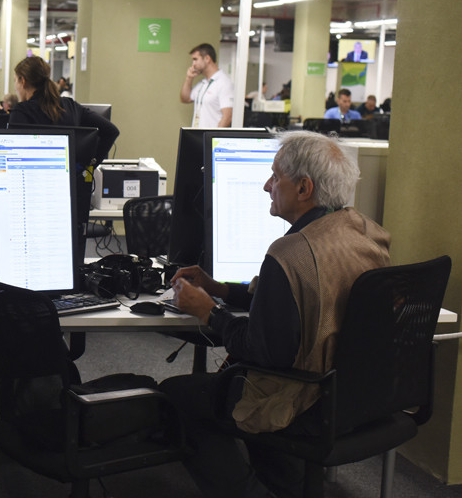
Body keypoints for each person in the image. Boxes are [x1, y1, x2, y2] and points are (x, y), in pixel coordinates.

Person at [159, 130, 390, 498]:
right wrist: (220, 290)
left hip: (303, 398)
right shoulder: (363, 233)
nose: (267, 185)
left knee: (178, 394)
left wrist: (208, 312)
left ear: (303, 188)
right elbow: (303, 302)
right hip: (349, 394)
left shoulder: (290, 252)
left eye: (275, 177)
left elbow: (263, 351)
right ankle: (284, 484)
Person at [9, 55, 118, 163]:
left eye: (15, 81)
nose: (15, 87)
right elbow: (111, 131)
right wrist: (90, 164)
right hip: (71, 178)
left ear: (22, 81)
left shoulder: (22, 111)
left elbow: (13, 155)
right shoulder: (70, 105)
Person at [179, 43, 234, 127]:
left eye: (195, 59)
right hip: (198, 137)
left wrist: (214, 138)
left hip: (210, 138)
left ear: (207, 59)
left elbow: (227, 117)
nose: (193, 64)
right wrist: (189, 78)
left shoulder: (223, 83)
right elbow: (185, 99)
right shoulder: (203, 83)